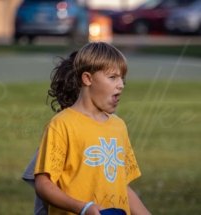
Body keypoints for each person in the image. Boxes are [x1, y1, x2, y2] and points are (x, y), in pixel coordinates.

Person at [29, 42, 151, 215]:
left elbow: (122, 186)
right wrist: (83, 208)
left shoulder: (119, 126)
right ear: (87, 79)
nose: (121, 85)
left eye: (122, 79)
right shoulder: (62, 124)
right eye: (113, 77)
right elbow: (43, 184)